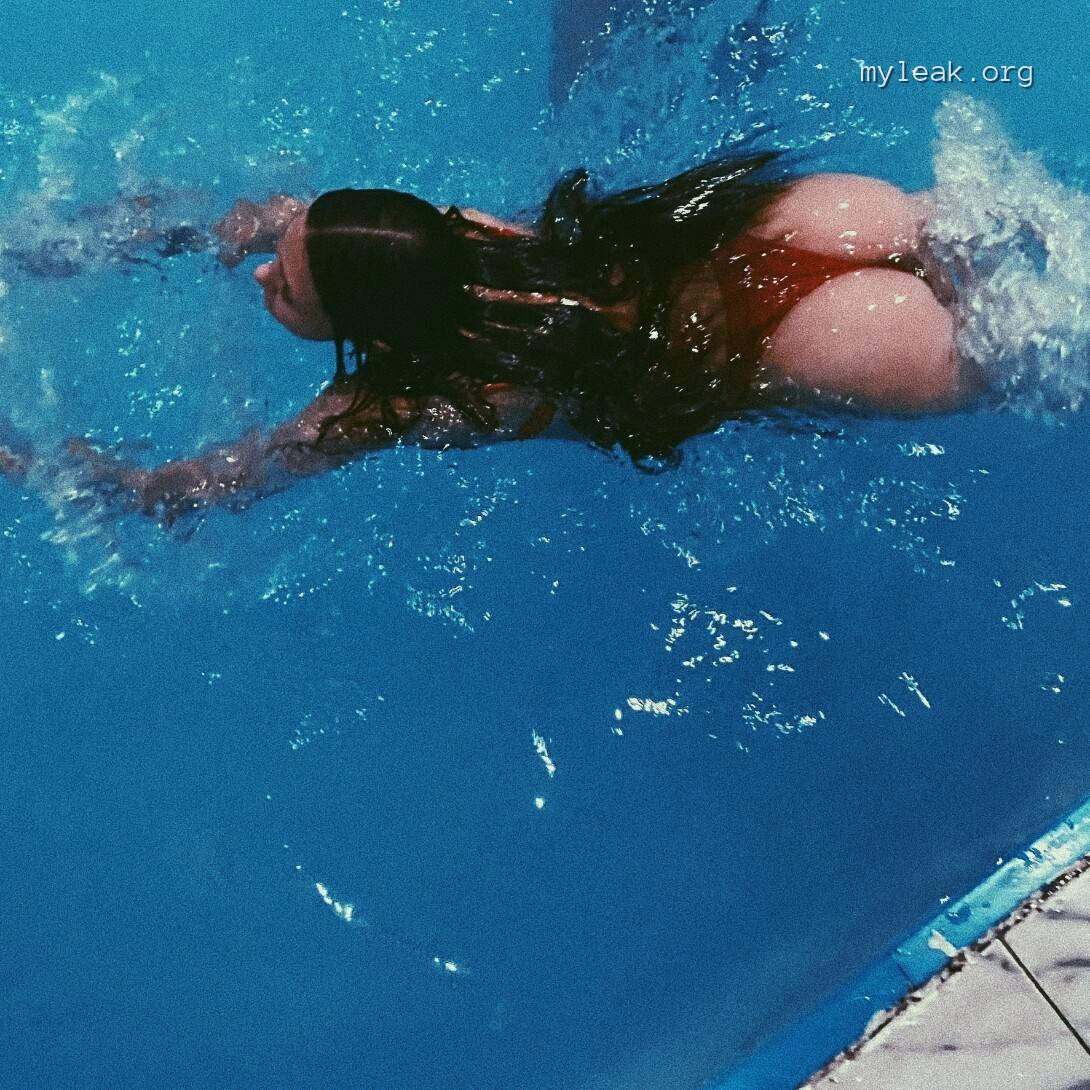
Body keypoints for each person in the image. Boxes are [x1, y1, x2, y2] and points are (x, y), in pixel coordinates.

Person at [7, 151, 978, 522]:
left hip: (821, 345)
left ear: (368, 325)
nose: (265, 272)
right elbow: (289, 219)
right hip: (802, 221)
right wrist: (111, 241)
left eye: (288, 283)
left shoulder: (390, 405)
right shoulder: (455, 235)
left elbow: (190, 490)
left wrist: (35, 466)